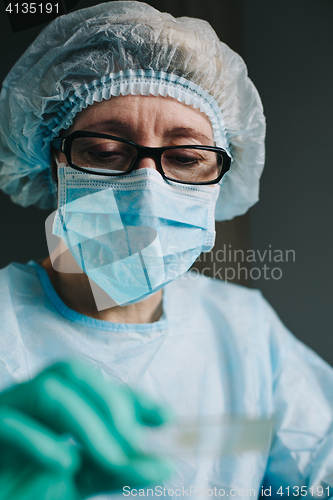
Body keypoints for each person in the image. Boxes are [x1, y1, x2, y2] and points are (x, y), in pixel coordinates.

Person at [0, 2, 333, 499]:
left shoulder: (242, 329)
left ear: (221, 179)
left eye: (185, 157)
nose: (147, 191)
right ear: (53, 164)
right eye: (105, 152)